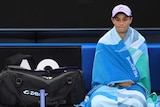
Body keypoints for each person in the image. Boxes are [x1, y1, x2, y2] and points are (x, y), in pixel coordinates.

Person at [75, 4, 153, 107]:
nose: (121, 23)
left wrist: (129, 81)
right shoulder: (104, 42)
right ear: (112, 20)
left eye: (125, 19)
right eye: (118, 19)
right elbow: (101, 72)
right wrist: (116, 81)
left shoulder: (139, 41)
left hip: (134, 86)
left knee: (136, 102)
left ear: (130, 20)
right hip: (108, 85)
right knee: (97, 102)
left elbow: (142, 71)